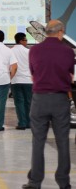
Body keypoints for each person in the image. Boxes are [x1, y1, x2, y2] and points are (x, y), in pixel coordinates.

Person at [22, 20, 74, 189]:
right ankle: (64, 182)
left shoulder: (34, 50)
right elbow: (70, 76)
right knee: (62, 141)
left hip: (39, 100)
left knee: (38, 141)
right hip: (60, 100)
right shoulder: (68, 51)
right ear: (61, 32)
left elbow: (33, 74)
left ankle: (35, 182)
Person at [10, 32, 33, 130]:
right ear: (21, 41)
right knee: (29, 102)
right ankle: (29, 123)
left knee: (19, 102)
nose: (27, 42)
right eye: (26, 40)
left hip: (15, 80)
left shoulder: (10, 51)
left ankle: (22, 123)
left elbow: (9, 66)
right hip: (28, 80)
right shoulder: (28, 52)